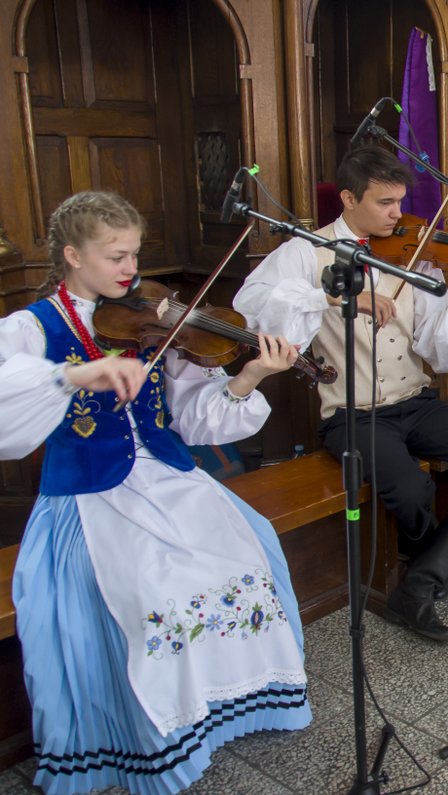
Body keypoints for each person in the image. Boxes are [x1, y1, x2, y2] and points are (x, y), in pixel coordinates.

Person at [3, 191, 312, 794]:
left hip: (168, 476)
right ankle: (162, 733)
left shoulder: (154, 318)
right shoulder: (32, 326)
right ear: (72, 255)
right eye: (115, 256)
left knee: (248, 552)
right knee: (153, 592)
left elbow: (194, 421)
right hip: (92, 494)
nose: (130, 269)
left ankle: (225, 706)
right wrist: (74, 374)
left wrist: (249, 375)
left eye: (134, 254)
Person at [234, 146, 448, 644]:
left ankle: (418, 582)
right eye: (385, 203)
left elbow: (443, 347)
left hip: (415, 401)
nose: (398, 214)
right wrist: (331, 295)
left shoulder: (416, 256)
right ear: (349, 198)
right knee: (411, 490)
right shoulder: (307, 250)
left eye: (401, 202)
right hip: (352, 413)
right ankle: (430, 571)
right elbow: (254, 304)